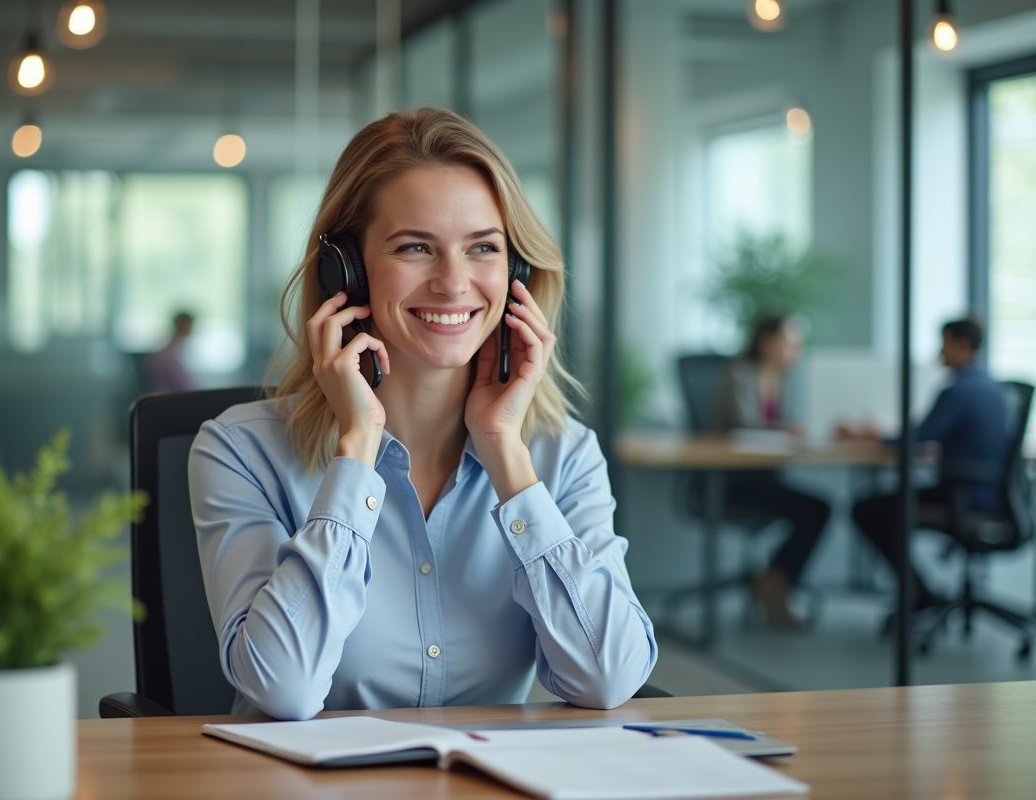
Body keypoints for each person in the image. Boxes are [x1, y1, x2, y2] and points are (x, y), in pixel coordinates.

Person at [188, 108, 656, 720]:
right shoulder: (240, 452)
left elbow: (608, 677)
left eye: (483, 248)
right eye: (415, 247)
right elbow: (283, 689)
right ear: (346, 272)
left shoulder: (562, 456)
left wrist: (506, 453)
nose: (454, 282)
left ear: (514, 271)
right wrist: (357, 449)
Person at [845, 318, 1008, 612]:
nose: (938, 354)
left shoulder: (958, 391)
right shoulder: (993, 389)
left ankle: (918, 592)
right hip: (992, 494)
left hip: (966, 495)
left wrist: (874, 435)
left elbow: (918, 438)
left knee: (867, 510)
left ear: (962, 346)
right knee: (886, 505)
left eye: (944, 345)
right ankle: (919, 591)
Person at [711, 314, 831, 629]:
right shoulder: (738, 374)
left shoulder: (782, 380)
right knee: (815, 509)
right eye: (789, 343)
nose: (795, 351)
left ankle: (774, 580)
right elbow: (741, 425)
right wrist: (784, 431)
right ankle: (775, 583)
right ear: (767, 342)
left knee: (818, 508)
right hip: (731, 481)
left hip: (766, 477)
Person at [148, 311, 198, 393]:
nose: (193, 328)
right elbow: (183, 384)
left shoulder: (173, 350)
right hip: (170, 398)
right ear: (182, 325)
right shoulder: (169, 354)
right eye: (190, 324)